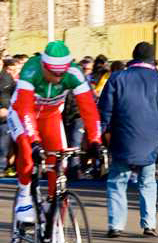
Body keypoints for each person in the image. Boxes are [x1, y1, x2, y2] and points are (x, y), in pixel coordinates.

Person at [10, 41, 104, 223]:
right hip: (22, 113)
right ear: (44, 66)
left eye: (62, 73)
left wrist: (95, 140)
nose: (59, 78)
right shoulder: (31, 70)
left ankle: (52, 206)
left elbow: (89, 109)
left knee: (59, 161)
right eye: (54, 73)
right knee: (27, 150)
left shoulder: (74, 73)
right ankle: (24, 195)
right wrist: (35, 140)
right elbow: (26, 109)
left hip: (50, 116)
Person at [98, 42, 158, 238]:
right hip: (150, 139)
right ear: (152, 59)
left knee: (117, 181)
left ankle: (115, 225)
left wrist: (104, 132)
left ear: (133, 57)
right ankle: (149, 224)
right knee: (147, 182)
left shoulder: (116, 79)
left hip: (122, 137)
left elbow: (105, 109)